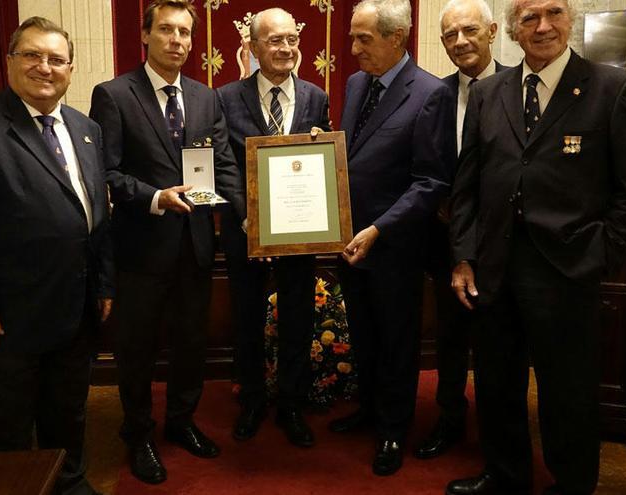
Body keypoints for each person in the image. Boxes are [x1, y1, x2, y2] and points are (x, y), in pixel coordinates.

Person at [446, 0, 626, 492]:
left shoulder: (613, 88)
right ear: (512, 32)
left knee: (568, 393)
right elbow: (468, 184)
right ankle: (504, 476)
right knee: (497, 385)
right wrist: (463, 255)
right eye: (529, 18)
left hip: (567, 270)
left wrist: (600, 254)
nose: (543, 27)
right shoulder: (489, 92)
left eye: (554, 13)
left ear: (570, 19)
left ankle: (572, 484)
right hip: (494, 269)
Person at [0, 17, 113, 495]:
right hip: (8, 319)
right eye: (32, 55)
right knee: (9, 425)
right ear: (9, 62)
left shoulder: (86, 128)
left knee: (69, 412)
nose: (45, 67)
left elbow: (97, 216)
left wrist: (105, 286)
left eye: (56, 59)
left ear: (71, 69)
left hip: (75, 309)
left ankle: (69, 483)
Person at [88, 0, 245, 485]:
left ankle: (181, 421)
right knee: (136, 349)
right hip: (140, 248)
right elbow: (106, 173)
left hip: (195, 246)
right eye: (167, 31)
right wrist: (156, 196)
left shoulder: (205, 97)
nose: (177, 40)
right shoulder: (114, 95)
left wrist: (248, 215)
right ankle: (138, 433)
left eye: (185, 33)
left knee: (191, 343)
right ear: (146, 35)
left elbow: (220, 165)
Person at [328, 0, 456, 476]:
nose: (354, 47)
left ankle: (393, 430)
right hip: (350, 244)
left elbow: (430, 181)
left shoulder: (429, 94)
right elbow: (354, 154)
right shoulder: (357, 83)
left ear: (397, 38)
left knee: (396, 340)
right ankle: (368, 409)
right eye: (353, 36)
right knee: (362, 334)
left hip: (395, 246)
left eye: (364, 38)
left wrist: (379, 229)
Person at [216, 7, 331, 448]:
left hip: (298, 234)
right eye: (274, 41)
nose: (285, 49)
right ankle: (252, 401)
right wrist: (250, 219)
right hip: (243, 229)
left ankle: (291, 403)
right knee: (245, 318)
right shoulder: (224, 98)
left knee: (298, 317)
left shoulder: (316, 97)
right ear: (253, 47)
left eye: (291, 40)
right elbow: (224, 166)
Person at [415, 0, 506, 461]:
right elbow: (427, 165)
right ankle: (449, 420)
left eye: (469, 31)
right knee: (449, 341)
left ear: (491, 31)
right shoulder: (436, 95)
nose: (460, 42)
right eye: (449, 35)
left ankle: (498, 438)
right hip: (448, 241)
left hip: (505, 246)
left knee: (499, 347)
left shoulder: (517, 85)